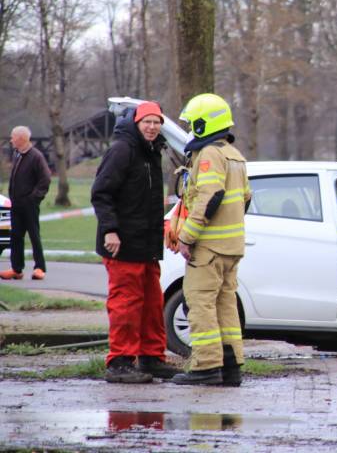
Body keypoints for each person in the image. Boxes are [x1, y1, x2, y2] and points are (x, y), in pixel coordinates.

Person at [91, 101, 177, 383]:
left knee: (152, 305)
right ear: (137, 123)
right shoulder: (122, 150)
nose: (152, 127)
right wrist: (110, 230)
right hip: (122, 244)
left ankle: (152, 359)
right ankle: (120, 363)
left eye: (156, 122)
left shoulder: (152, 152)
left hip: (147, 246)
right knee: (125, 304)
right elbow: (101, 193)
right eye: (147, 122)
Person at [171, 93, 251, 387]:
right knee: (225, 305)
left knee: (200, 303)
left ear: (205, 124)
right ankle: (230, 367)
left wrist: (188, 236)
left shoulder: (208, 155)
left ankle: (206, 367)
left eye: (193, 124)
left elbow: (211, 195)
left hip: (209, 248)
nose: (191, 130)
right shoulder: (235, 155)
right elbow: (245, 199)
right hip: (231, 248)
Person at [1, 126, 51, 280]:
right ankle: (17, 268)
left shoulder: (36, 156)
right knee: (15, 236)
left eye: (13, 137)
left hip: (29, 204)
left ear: (21, 138)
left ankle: (39, 268)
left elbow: (45, 179)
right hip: (16, 204)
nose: (11, 140)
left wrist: (34, 198)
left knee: (34, 235)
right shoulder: (18, 155)